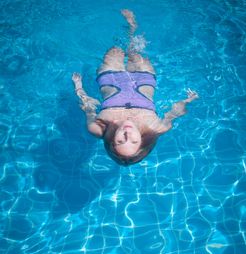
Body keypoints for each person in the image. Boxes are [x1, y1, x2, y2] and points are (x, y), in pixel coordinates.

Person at [72, 9, 198, 165]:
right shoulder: (157, 128)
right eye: (133, 142)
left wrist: (78, 87)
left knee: (116, 49)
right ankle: (132, 27)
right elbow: (174, 113)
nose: (127, 134)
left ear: (111, 141)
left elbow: (88, 108)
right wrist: (188, 100)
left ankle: (120, 26)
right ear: (143, 141)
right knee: (134, 49)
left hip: (111, 78)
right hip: (143, 79)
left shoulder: (97, 129)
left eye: (120, 141)